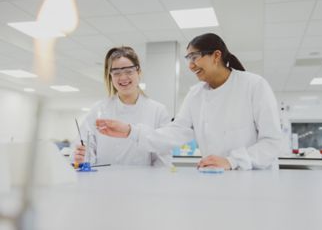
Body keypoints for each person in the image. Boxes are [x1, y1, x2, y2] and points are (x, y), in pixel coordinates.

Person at [96, 33, 282, 170]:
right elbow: (173, 134)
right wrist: (131, 131)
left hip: (256, 180)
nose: (190, 65)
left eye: (194, 57)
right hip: (215, 177)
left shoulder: (254, 85)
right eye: (188, 59)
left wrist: (232, 161)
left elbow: (272, 143)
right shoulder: (196, 95)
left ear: (216, 56)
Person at [73, 46, 171, 167]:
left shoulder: (158, 111)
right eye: (116, 73)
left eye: (129, 71)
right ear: (110, 76)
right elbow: (86, 147)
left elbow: (163, 158)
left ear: (138, 72)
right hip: (103, 182)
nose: (123, 77)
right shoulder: (98, 109)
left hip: (142, 183)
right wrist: (83, 157)